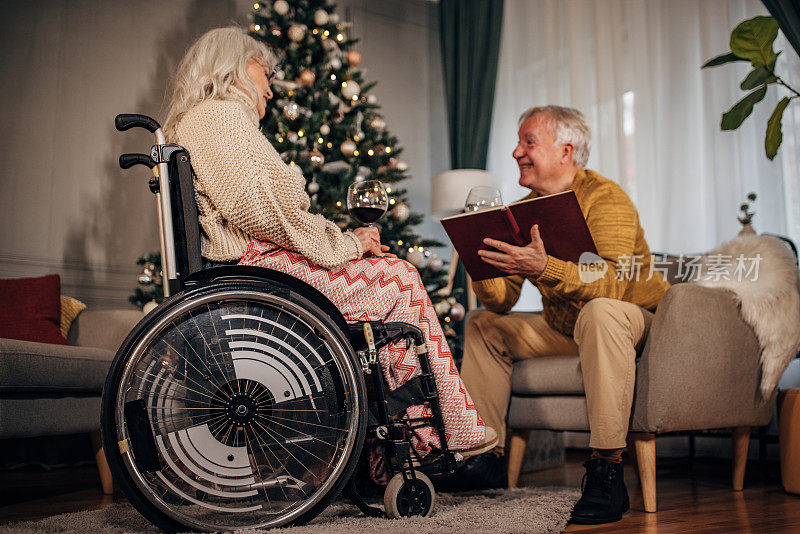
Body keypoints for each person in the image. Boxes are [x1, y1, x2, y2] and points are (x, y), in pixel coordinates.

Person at [162, 27, 496, 460]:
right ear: (236, 66)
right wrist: (347, 244)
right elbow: (258, 210)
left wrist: (342, 238)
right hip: (257, 273)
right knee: (401, 279)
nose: (270, 88)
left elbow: (263, 206)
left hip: (254, 268)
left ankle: (412, 440)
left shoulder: (206, 119)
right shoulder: (220, 116)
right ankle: (446, 431)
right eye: (265, 72)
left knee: (391, 282)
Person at [459, 105, 670, 524]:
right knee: (484, 325)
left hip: (635, 319)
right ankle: (484, 458)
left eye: (528, 142)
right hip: (567, 325)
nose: (516, 151)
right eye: (518, 142)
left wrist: (544, 267)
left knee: (600, 312)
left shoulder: (607, 198)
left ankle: (607, 470)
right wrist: (476, 257)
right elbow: (500, 301)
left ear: (565, 150)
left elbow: (611, 283)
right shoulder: (521, 211)